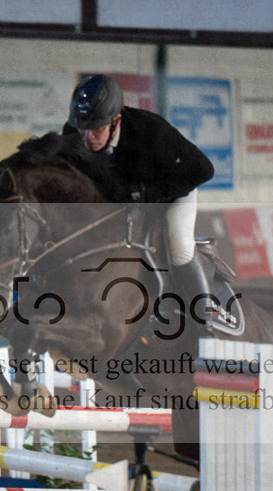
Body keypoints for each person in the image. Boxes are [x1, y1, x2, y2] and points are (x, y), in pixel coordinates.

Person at [64, 74, 216, 323]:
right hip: (124, 199)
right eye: (82, 128)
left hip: (172, 195)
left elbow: (204, 169)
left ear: (116, 121)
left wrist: (151, 194)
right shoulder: (73, 133)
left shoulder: (152, 132)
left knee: (179, 245)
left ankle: (205, 315)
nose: (87, 138)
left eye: (97, 129)